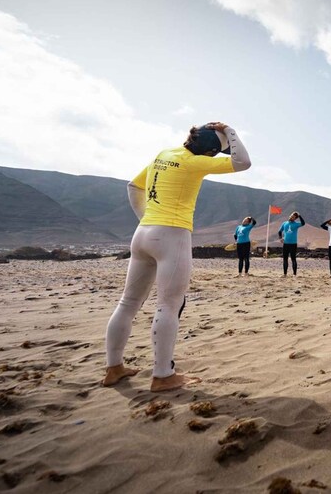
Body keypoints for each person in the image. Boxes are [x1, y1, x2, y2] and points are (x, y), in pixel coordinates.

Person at [103, 122, 251, 392]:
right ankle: (162, 375)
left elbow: (133, 187)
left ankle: (114, 368)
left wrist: (146, 218)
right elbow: (243, 162)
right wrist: (230, 130)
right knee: (169, 305)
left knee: (128, 302)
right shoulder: (195, 163)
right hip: (173, 235)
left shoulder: (164, 154)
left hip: (143, 233)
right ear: (209, 152)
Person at [279, 211, 305, 276]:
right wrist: (280, 238)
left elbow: (303, 223)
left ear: (295, 218)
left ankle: (294, 274)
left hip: (293, 244)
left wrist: (299, 216)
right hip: (285, 243)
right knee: (285, 259)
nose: (291, 217)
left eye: (293, 217)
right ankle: (285, 274)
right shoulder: (284, 223)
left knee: (293, 258)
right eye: (291, 216)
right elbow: (279, 231)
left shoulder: (296, 224)